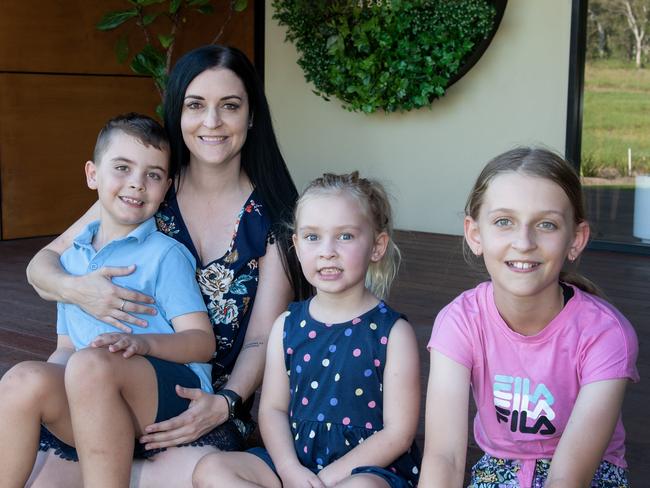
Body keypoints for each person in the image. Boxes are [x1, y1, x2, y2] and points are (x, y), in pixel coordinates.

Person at [24, 45, 307, 487]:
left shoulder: (276, 218)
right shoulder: (144, 192)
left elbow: (260, 341)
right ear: (178, 113)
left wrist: (227, 401)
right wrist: (80, 289)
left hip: (198, 410)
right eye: (196, 105)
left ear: (251, 116)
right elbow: (41, 268)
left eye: (229, 106)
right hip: (100, 391)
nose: (211, 122)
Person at [0, 113, 216, 487]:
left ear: (167, 186)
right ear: (92, 174)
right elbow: (66, 349)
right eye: (122, 167)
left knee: (89, 365)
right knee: (24, 379)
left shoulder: (165, 255)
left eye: (153, 175)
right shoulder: (72, 262)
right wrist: (51, 389)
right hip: (97, 394)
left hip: (171, 396)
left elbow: (202, 343)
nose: (136, 184)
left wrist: (143, 343)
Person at [419, 147, 639, 488]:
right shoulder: (460, 322)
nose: (524, 242)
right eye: (504, 222)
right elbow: (444, 456)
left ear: (575, 240)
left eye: (546, 224)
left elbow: (568, 479)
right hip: (499, 467)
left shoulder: (605, 334)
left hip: (591, 472)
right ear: (475, 234)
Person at [192, 172, 422, 488]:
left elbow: (398, 432)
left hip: (364, 469)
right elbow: (272, 410)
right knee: (212, 469)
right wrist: (288, 469)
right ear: (297, 246)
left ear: (377, 246)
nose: (327, 251)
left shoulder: (392, 332)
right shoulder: (286, 326)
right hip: (294, 461)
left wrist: (326, 479)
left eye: (345, 236)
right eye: (313, 237)